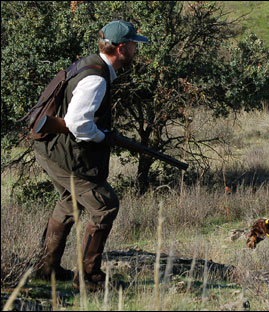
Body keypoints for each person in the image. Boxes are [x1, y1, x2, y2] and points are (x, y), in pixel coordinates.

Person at [33, 20, 148, 290]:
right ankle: (89, 279)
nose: (136, 48)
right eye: (133, 44)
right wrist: (102, 137)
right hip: (63, 153)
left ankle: (45, 269)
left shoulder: (91, 64)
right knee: (105, 204)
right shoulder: (96, 78)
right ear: (121, 49)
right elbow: (77, 124)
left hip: (52, 148)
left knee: (69, 203)